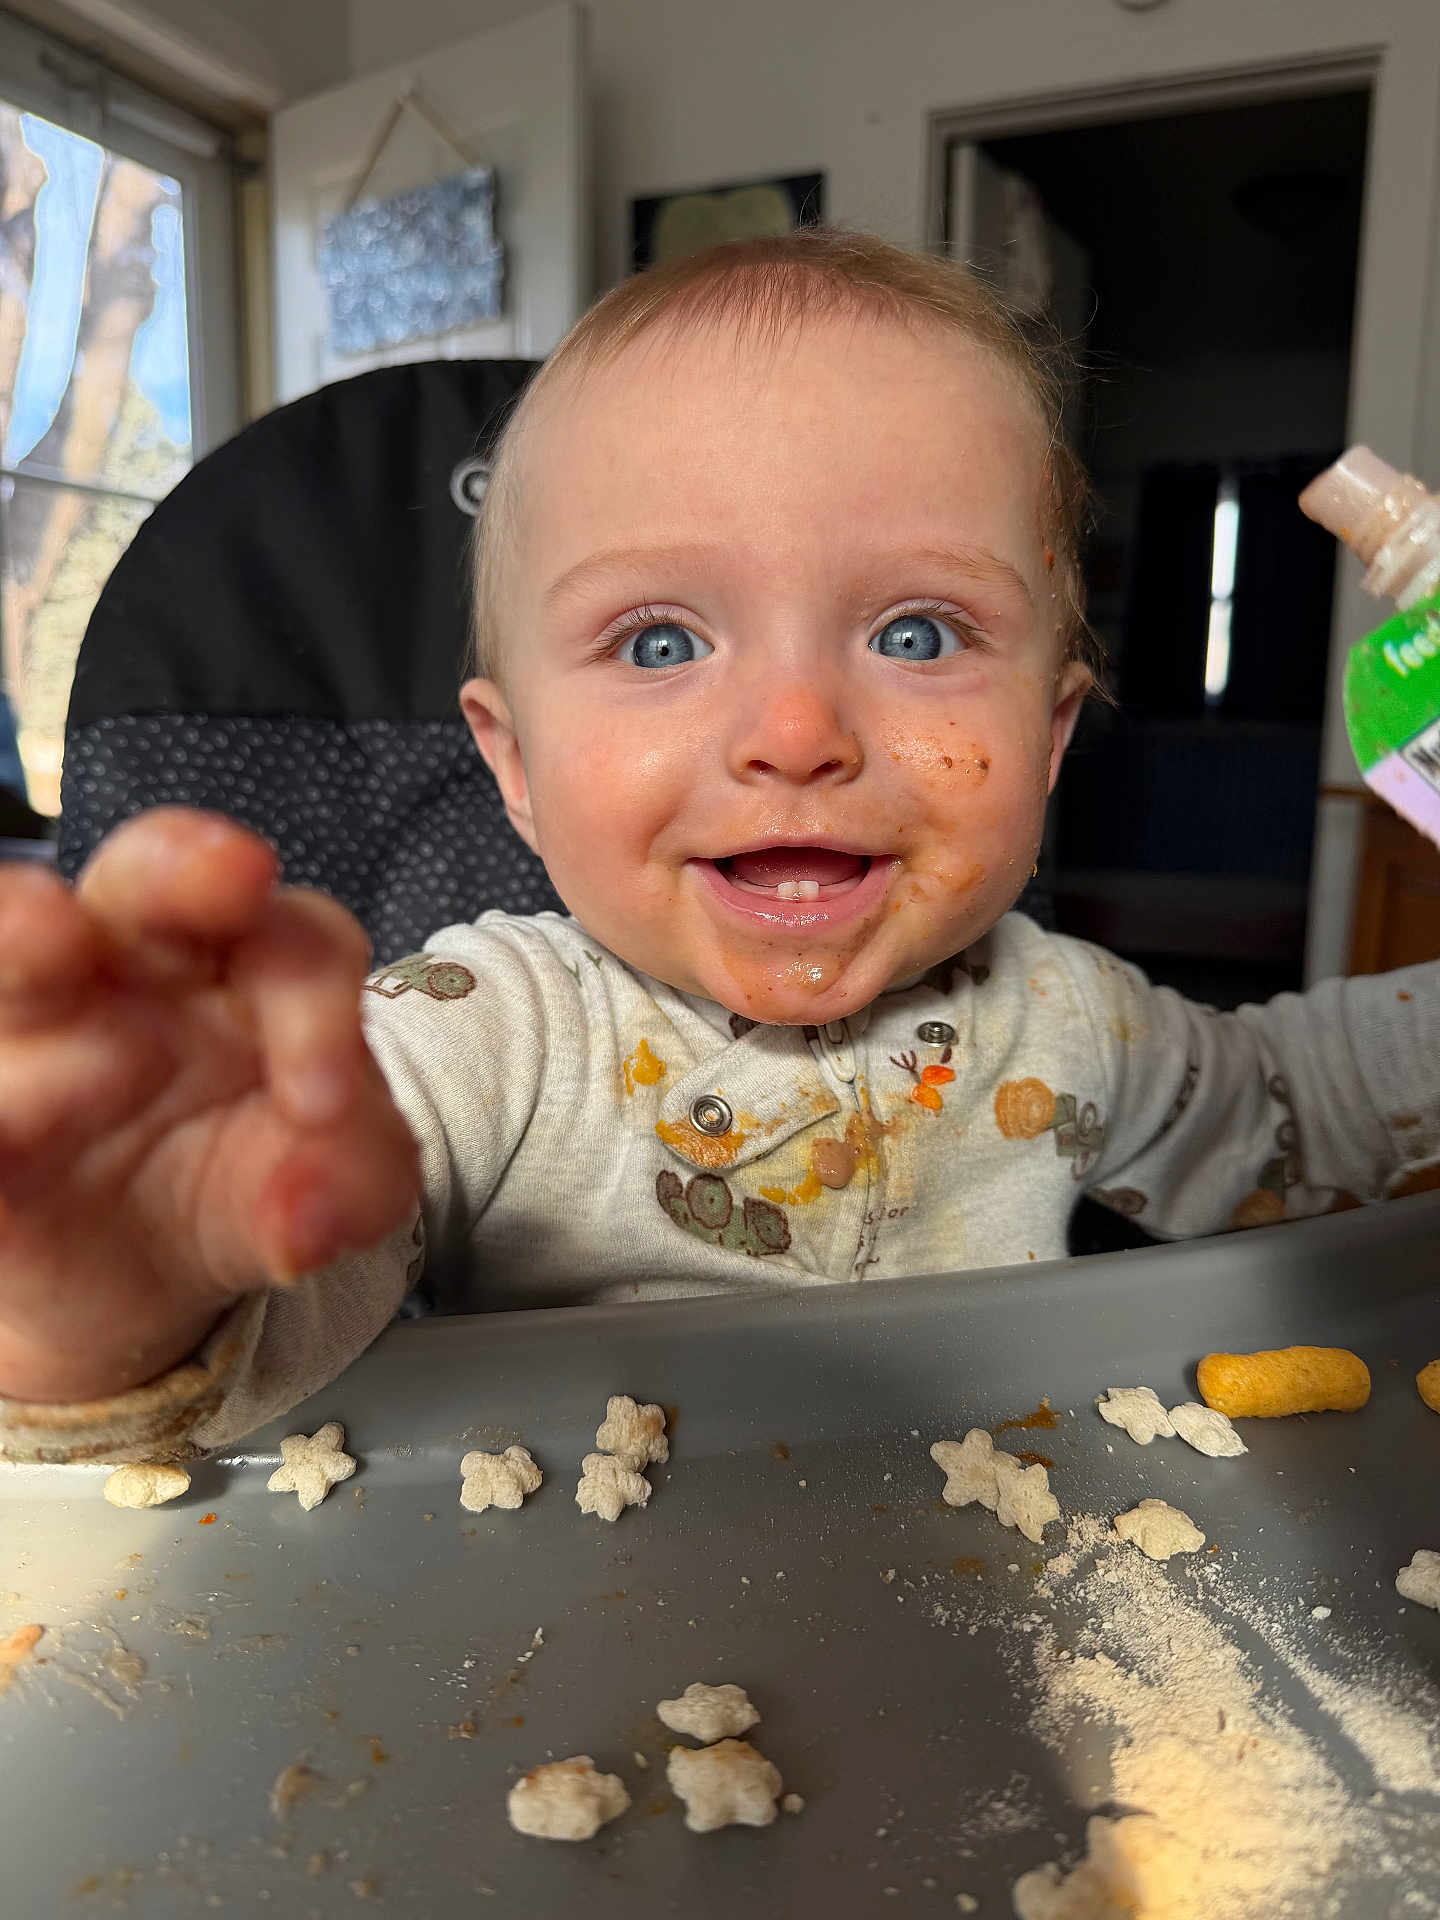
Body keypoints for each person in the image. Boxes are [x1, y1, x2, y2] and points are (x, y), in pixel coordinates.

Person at [0, 230, 1435, 1464]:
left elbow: (1300, 1110)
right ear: (513, 763)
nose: (797, 730)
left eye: (916, 634)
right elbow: (272, 1306)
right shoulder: (488, 1038)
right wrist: (138, 1277)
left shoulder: (1070, 1022)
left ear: (1051, 738)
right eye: (662, 640)